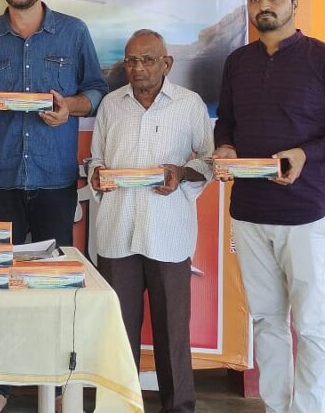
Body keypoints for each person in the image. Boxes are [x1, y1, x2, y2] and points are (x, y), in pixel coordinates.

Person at [214, 0, 325, 413]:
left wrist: (306, 154)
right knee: (266, 321)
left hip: (306, 214)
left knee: (311, 323)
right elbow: (227, 121)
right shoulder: (238, 62)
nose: (263, 6)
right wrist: (225, 146)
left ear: (294, 4)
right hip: (249, 212)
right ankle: (277, 406)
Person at [0, 0, 107, 413]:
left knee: (55, 286)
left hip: (54, 180)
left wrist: (71, 108)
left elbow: (96, 90)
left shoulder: (73, 32)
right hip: (0, 179)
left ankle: (59, 386)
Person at [87, 29, 212, 413]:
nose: (138, 68)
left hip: (168, 233)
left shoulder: (189, 104)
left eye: (147, 60)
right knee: (117, 332)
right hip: (117, 231)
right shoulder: (111, 105)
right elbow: (96, 159)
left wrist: (181, 172)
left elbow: (209, 161)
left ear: (166, 64)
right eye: (131, 61)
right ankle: (117, 406)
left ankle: (179, 407)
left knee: (172, 333)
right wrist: (97, 175)